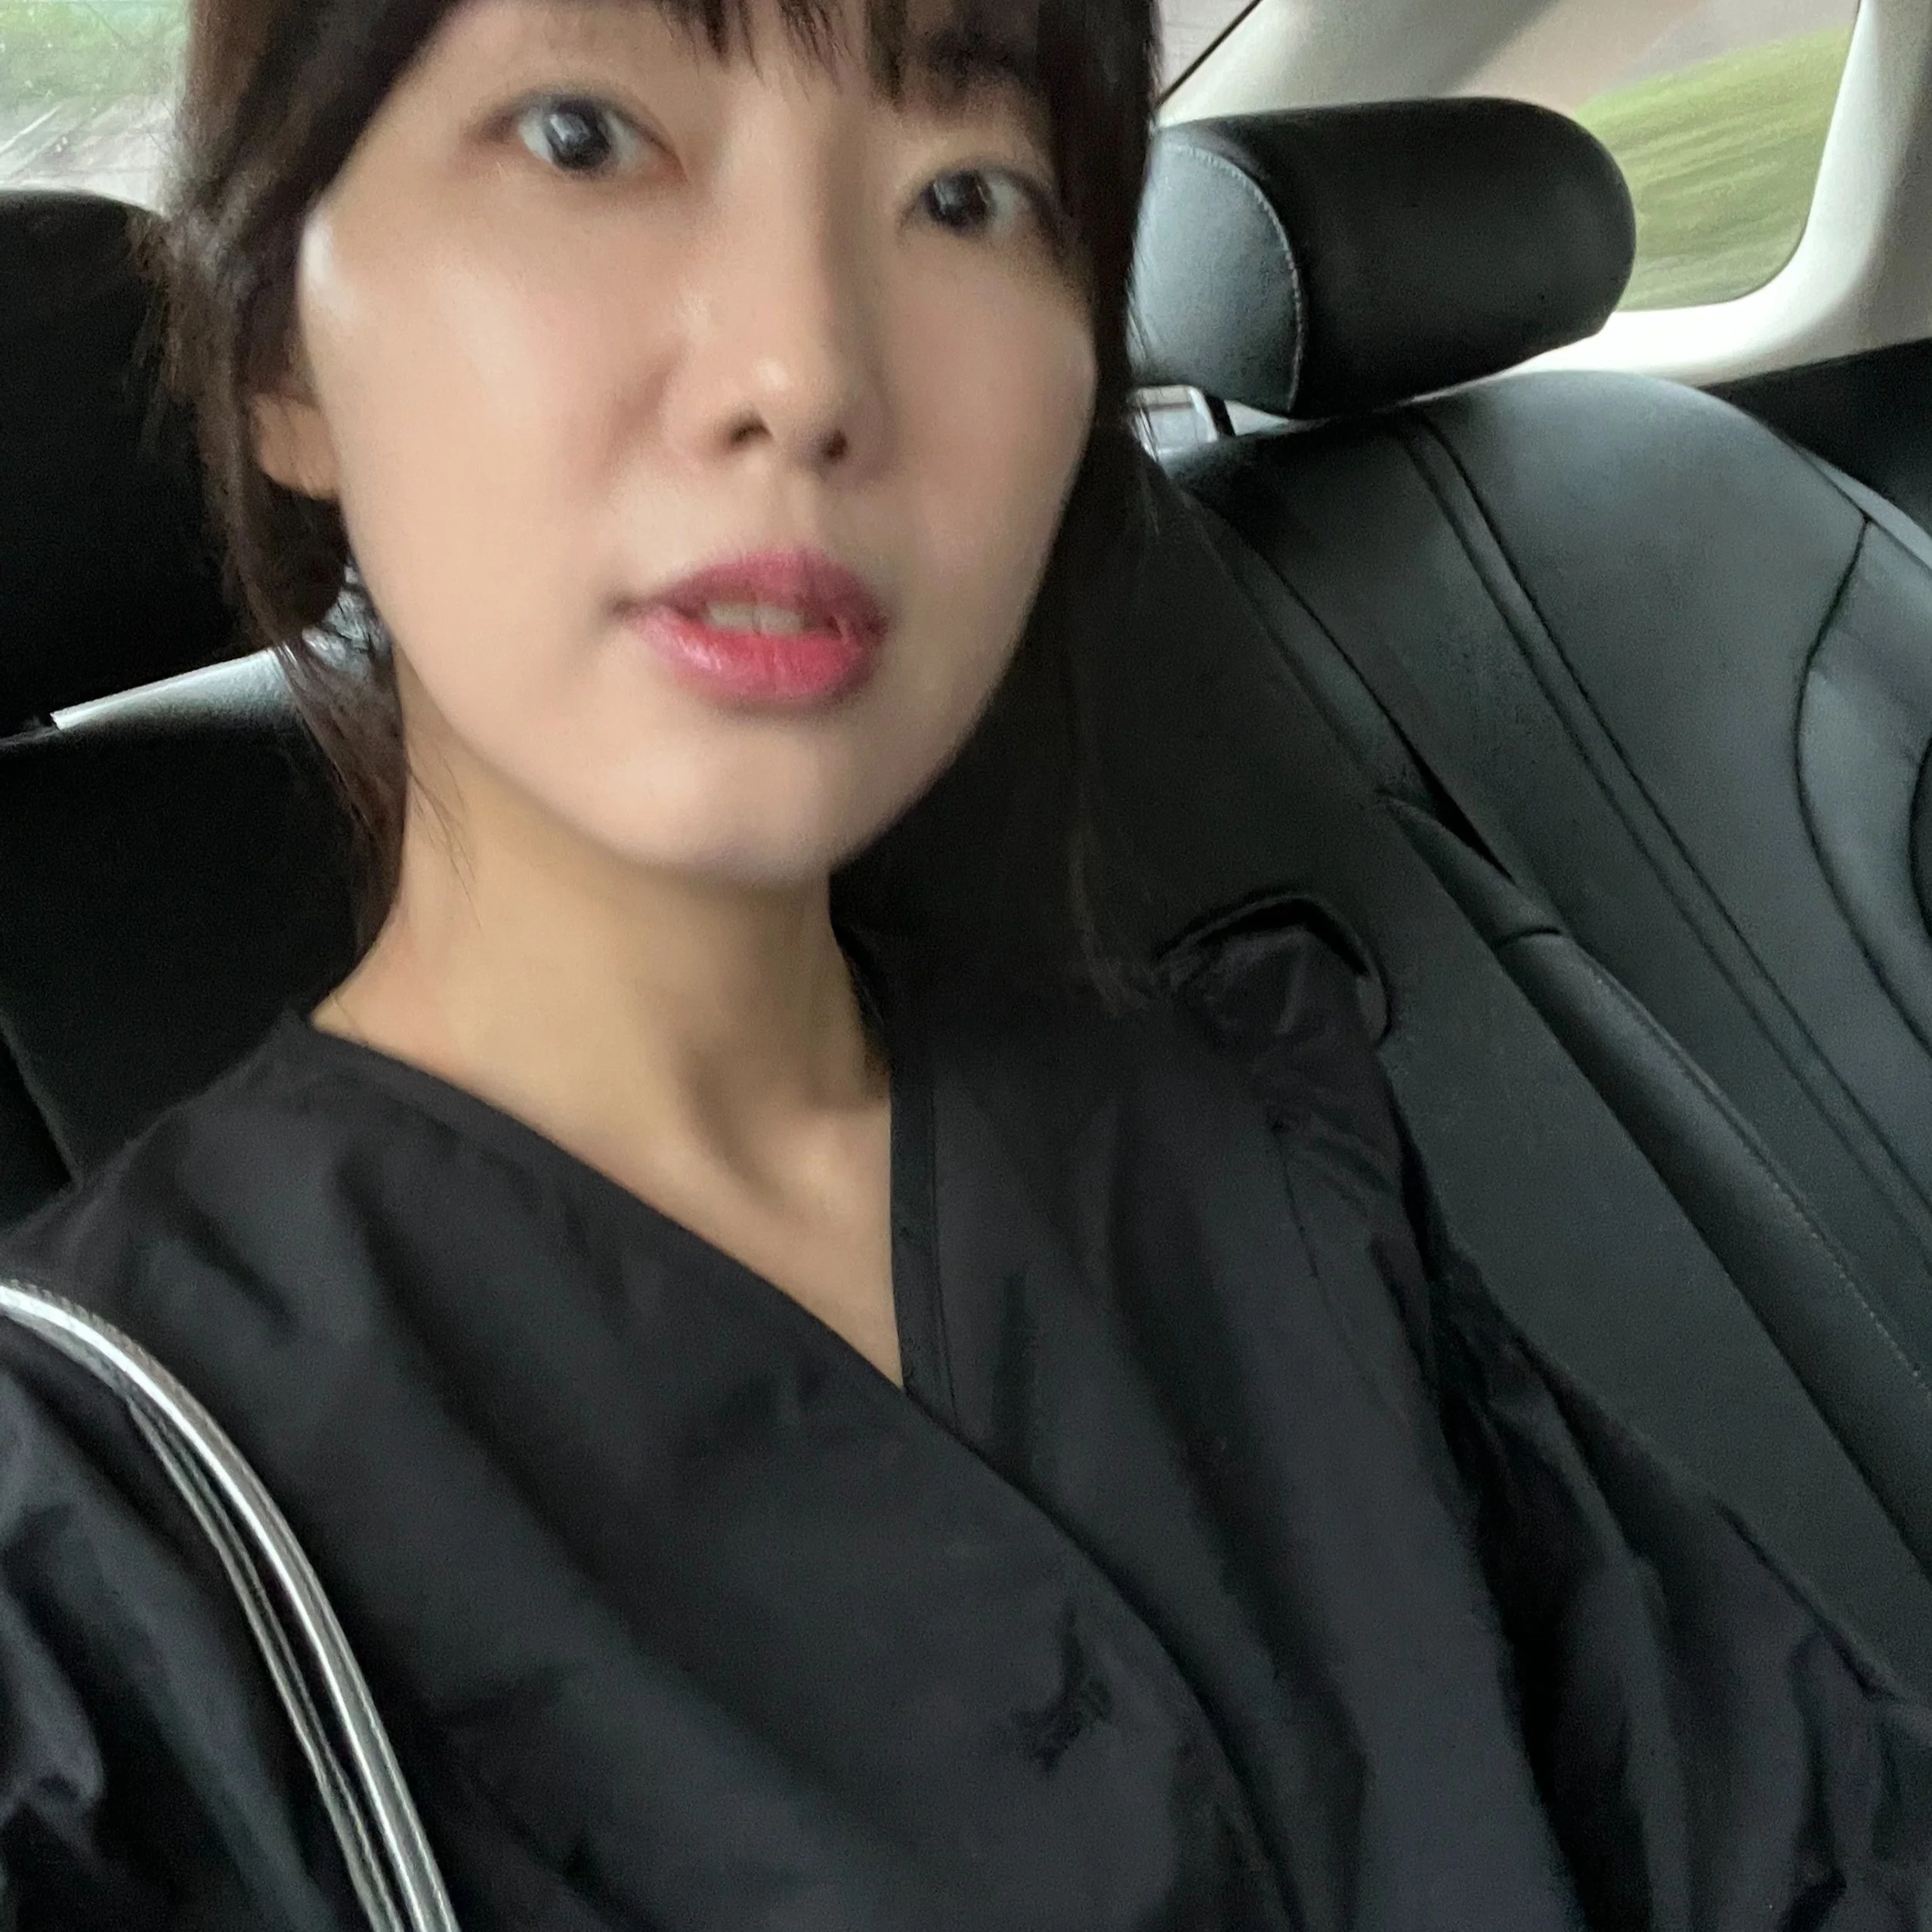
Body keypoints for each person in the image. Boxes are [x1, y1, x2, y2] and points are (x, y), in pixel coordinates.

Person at [0, 0, 1927, 1923]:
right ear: (283, 350)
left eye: (969, 194)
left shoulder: (1251, 1145)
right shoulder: (88, 1540)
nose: (805, 369)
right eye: (583, 136)